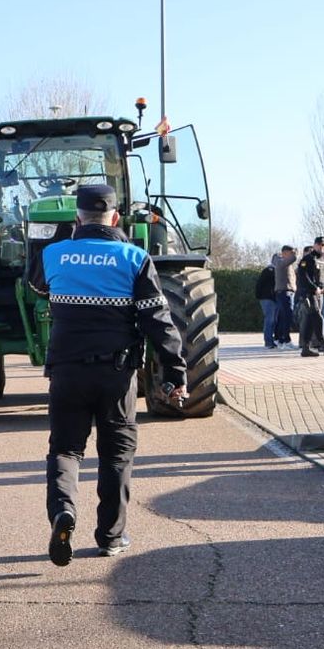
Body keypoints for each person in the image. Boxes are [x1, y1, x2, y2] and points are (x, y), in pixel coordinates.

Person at [42, 185, 187, 566]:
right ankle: (111, 536)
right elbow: (158, 320)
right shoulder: (134, 257)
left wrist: (61, 241)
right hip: (117, 373)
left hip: (67, 371)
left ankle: (63, 511)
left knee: (65, 449)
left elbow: (36, 285)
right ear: (116, 218)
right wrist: (175, 370)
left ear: (77, 217)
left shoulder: (53, 254)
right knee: (116, 455)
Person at [296, 243, 324, 356]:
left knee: (311, 319)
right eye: (319, 245)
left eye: (323, 246)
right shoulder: (307, 259)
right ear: (315, 245)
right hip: (309, 293)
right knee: (317, 316)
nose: (322, 248)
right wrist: (314, 287)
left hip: (320, 294)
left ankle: (306, 347)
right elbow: (303, 276)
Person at [271, 245, 296, 348]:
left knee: (282, 317)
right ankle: (286, 340)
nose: (292, 255)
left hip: (286, 292)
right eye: (291, 252)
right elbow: (293, 258)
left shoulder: (281, 263)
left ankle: (280, 339)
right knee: (287, 317)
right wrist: (296, 253)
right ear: (285, 253)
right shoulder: (281, 262)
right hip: (285, 292)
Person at [255, 260, 278, 349]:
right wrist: (260, 296)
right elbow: (260, 284)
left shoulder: (273, 270)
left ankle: (270, 340)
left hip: (271, 298)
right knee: (270, 320)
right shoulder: (269, 270)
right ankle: (268, 341)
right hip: (268, 298)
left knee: (273, 320)